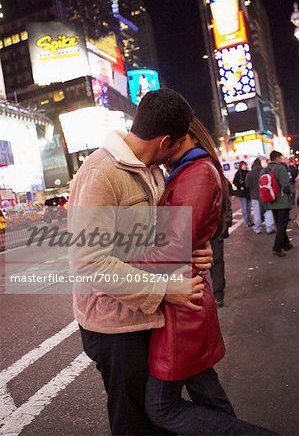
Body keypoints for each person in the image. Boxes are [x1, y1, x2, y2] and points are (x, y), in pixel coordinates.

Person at [68, 88, 213, 435]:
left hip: (145, 317)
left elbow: (152, 238)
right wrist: (166, 290)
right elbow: (89, 263)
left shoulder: (152, 170)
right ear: (166, 140)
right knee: (133, 422)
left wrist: (194, 250)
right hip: (113, 327)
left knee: (159, 415)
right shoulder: (101, 173)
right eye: (178, 145)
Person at [138, 118, 277, 435]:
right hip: (185, 299)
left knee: (161, 407)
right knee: (209, 398)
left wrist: (114, 259)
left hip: (182, 304)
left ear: (180, 137)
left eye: (162, 138)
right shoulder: (188, 171)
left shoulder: (197, 174)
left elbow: (174, 245)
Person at [261, 150, 293, 257]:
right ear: (277, 158)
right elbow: (285, 184)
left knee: (279, 224)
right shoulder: (280, 168)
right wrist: (291, 191)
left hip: (271, 201)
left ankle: (286, 244)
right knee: (282, 225)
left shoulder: (264, 170)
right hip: (282, 201)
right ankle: (277, 248)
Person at [211, 178, 233, 307]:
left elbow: (227, 203)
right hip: (201, 231)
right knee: (209, 263)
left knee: (217, 261)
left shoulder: (219, 179)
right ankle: (218, 284)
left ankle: (218, 293)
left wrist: (225, 223)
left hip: (216, 229)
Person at [246, 158, 275, 234]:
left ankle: (257, 228)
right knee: (267, 211)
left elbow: (247, 185)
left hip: (254, 196)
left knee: (256, 213)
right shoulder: (264, 171)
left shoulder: (250, 173)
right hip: (264, 194)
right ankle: (269, 227)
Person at [233, 161, 253, 227]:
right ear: (240, 166)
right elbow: (234, 181)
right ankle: (246, 222)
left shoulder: (248, 172)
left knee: (249, 208)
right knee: (244, 208)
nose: (244, 166)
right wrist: (240, 186)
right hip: (242, 193)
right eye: (243, 165)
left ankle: (250, 221)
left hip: (248, 192)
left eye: (245, 165)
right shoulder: (238, 173)